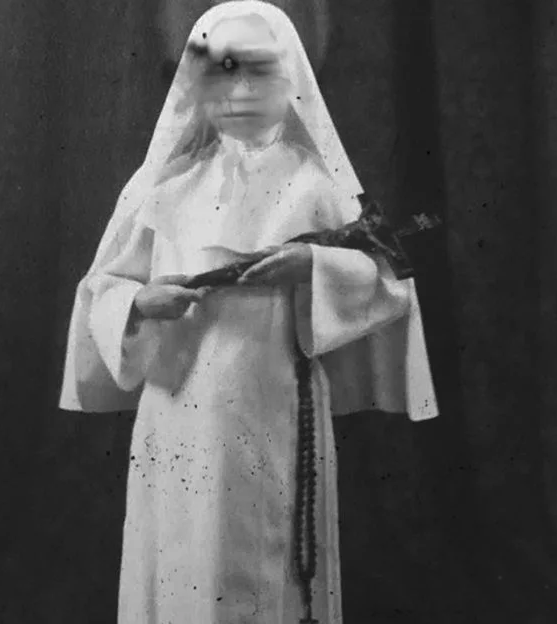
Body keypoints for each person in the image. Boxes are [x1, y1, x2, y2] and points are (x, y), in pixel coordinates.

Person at [59, 2, 437, 623]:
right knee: (183, 562)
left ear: (290, 81)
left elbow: (388, 282)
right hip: (178, 416)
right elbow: (100, 289)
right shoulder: (164, 186)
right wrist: (140, 301)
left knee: (268, 567)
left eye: (256, 71)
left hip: (273, 407)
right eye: (222, 71)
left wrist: (313, 266)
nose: (237, 91)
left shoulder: (316, 184)